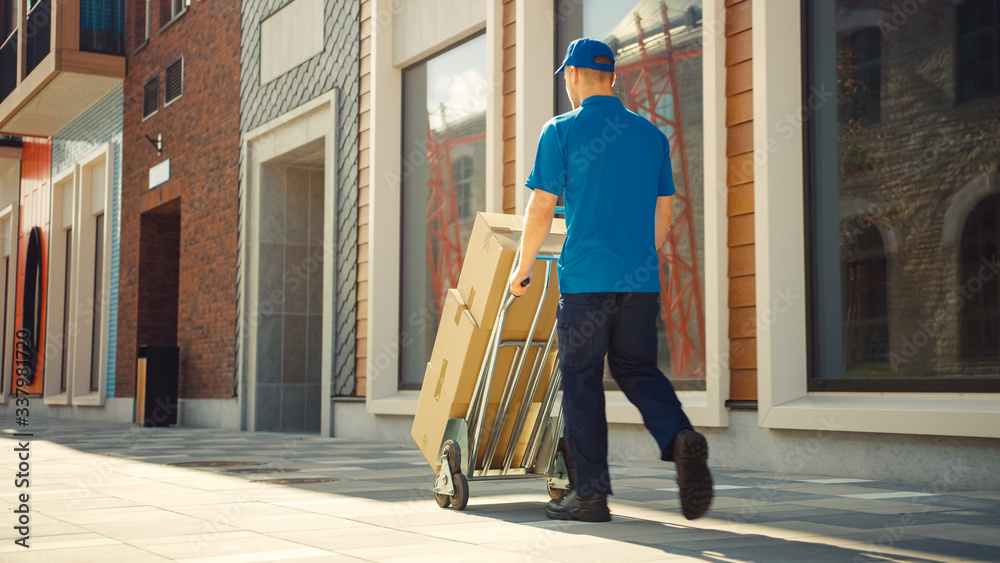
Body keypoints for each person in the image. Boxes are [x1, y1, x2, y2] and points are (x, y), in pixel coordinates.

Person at [507, 38, 714, 522]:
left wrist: (523, 268)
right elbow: (664, 214)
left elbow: (541, 207)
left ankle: (592, 494)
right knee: (637, 369)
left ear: (573, 76)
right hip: (639, 281)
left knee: (581, 381)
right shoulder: (651, 136)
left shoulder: (561, 130)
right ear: (613, 77)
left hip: (585, 282)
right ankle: (678, 436)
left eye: (566, 77)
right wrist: (640, 259)